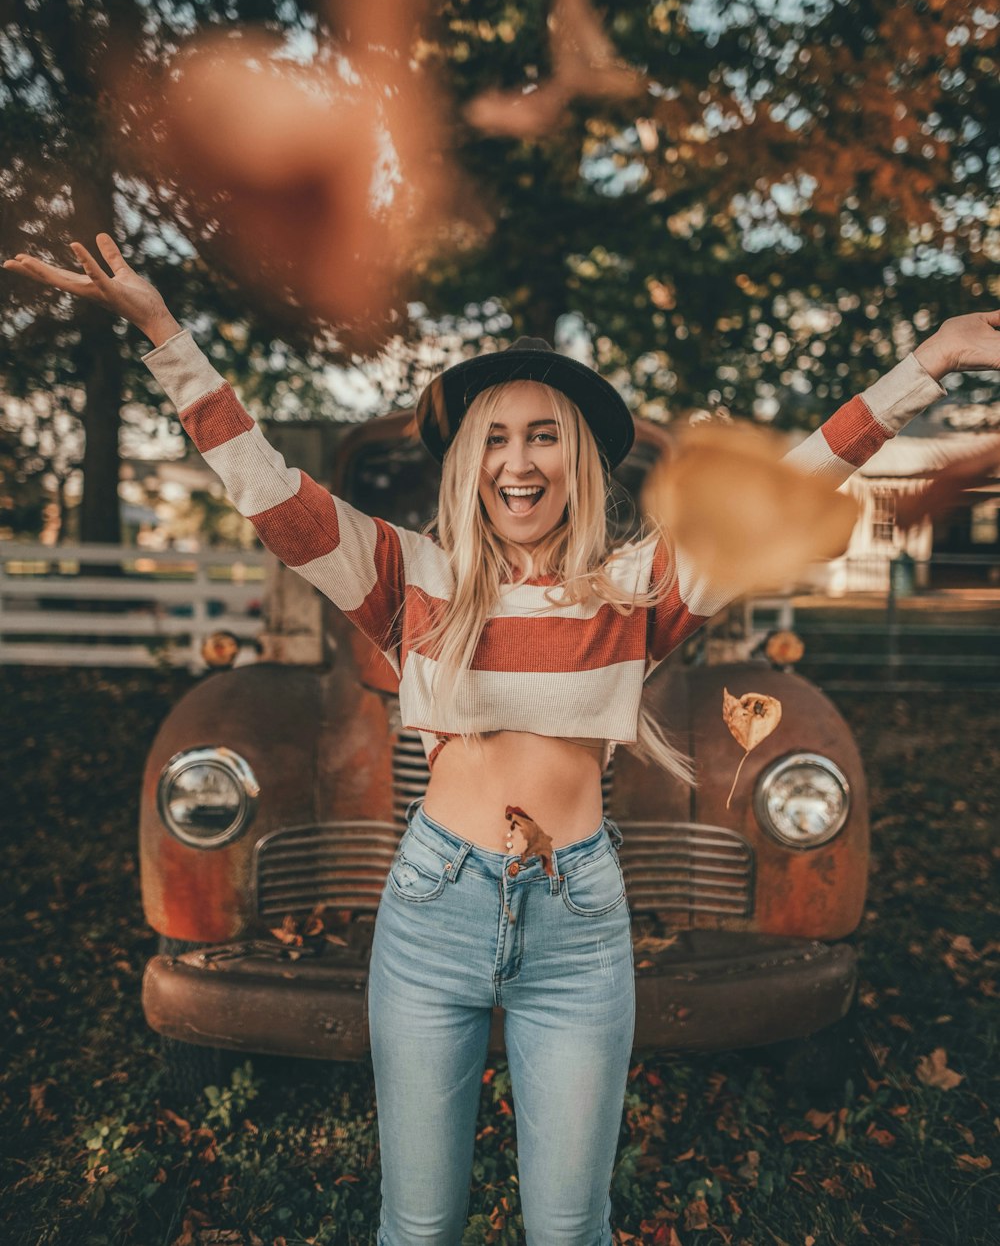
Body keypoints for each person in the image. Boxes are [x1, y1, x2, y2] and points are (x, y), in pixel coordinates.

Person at [5, 235, 999, 1246]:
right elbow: (264, 488)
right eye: (494, 437)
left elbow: (790, 483)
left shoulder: (638, 586)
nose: (517, 461)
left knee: (570, 1228)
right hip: (434, 910)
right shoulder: (409, 576)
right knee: (418, 1226)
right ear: (469, 458)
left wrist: (931, 361)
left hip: (580, 925)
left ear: (578, 456)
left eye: (543, 436)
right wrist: (163, 331)